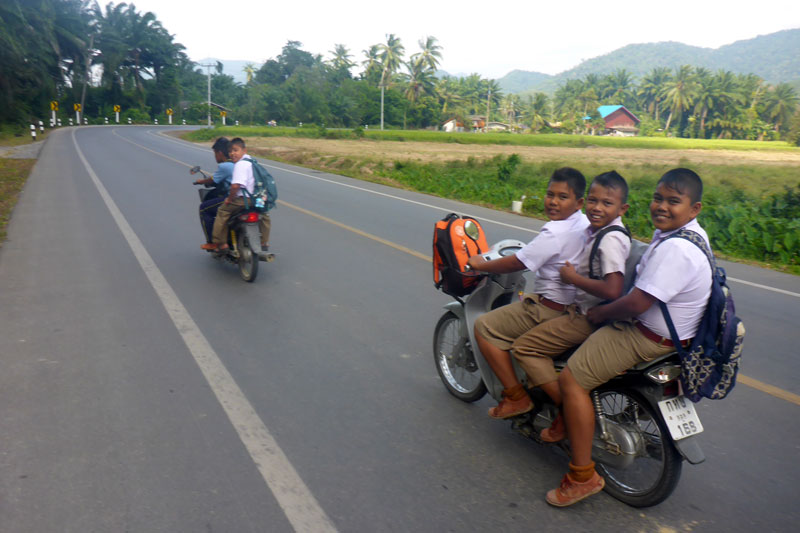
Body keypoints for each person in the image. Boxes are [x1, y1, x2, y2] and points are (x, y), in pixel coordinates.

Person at [546, 168, 711, 507]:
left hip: (646, 336)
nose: (662, 207)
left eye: (673, 202)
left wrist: (599, 313)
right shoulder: (691, 236)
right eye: (658, 198)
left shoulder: (676, 249)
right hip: (678, 338)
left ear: (694, 208)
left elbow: (636, 302)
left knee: (572, 382)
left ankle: (581, 476)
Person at [511, 171, 631, 440]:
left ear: (622, 208)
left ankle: (565, 412)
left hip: (586, 316)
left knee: (525, 347)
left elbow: (613, 289)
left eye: (607, 203)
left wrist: (572, 278)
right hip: (585, 312)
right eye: (593, 200)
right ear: (584, 201)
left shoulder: (609, 239)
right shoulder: (601, 230)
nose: (597, 208)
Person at [466, 167, 589, 419]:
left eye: (562, 197)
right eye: (549, 194)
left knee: (484, 328)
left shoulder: (555, 232)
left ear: (578, 202)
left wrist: (480, 264)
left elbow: (517, 263)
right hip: (576, 308)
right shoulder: (585, 223)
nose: (553, 201)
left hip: (548, 309)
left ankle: (516, 398)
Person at [202, 137, 271, 252]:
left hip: (243, 199)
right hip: (258, 198)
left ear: (244, 150)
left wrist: (229, 199)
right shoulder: (252, 162)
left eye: (236, 150)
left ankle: (220, 243)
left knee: (223, 212)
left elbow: (235, 186)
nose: (232, 153)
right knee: (264, 214)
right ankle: (264, 241)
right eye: (230, 151)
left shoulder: (240, 165)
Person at [194, 137, 234, 244]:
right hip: (248, 197)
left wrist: (200, 181)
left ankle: (212, 242)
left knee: (204, 208)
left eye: (215, 153)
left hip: (233, 197)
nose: (215, 156)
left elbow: (212, 180)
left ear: (220, 153)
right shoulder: (240, 162)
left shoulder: (225, 166)